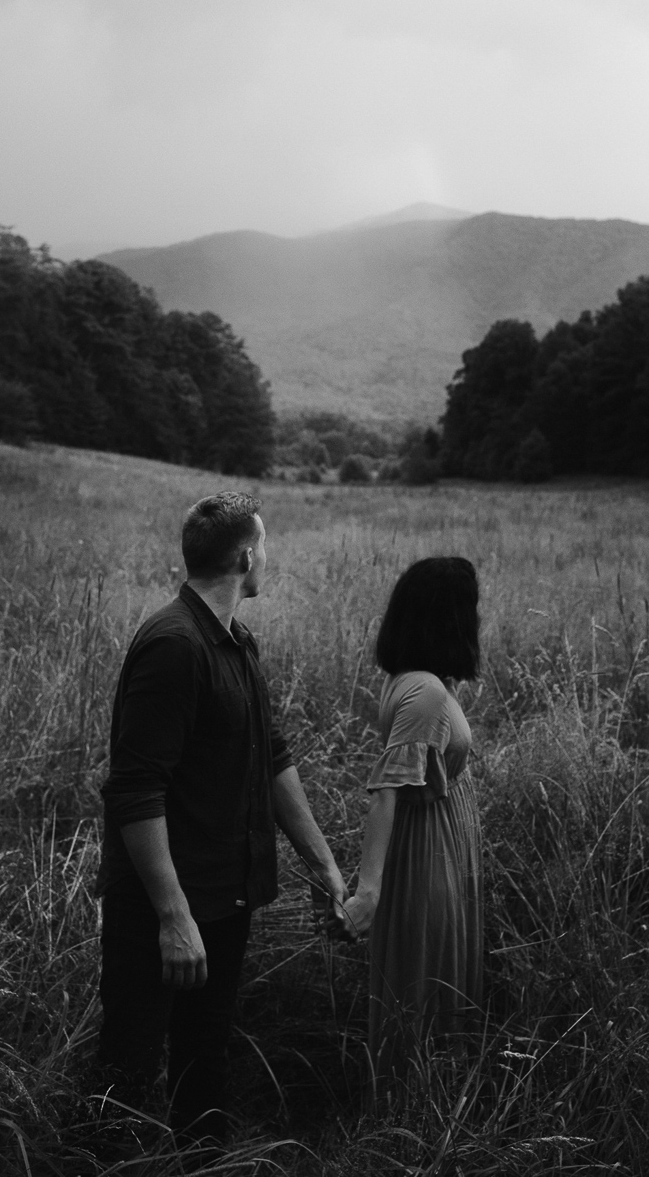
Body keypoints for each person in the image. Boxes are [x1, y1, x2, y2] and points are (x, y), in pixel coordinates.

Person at [94, 491, 346, 1148]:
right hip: (161, 905)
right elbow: (135, 789)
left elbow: (272, 757)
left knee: (205, 1054)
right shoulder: (174, 645)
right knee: (127, 1062)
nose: (268, 557)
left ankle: (202, 1161)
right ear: (245, 555)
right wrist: (173, 917)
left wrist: (321, 864)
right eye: (264, 545)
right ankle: (95, 1158)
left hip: (224, 894)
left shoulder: (236, 641)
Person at [342, 556, 484, 1090]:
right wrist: (369, 893)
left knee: (434, 973)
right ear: (450, 617)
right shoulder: (424, 691)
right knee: (425, 977)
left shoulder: (424, 681)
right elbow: (388, 790)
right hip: (428, 851)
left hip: (442, 842)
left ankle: (430, 1098)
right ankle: (414, 1107)